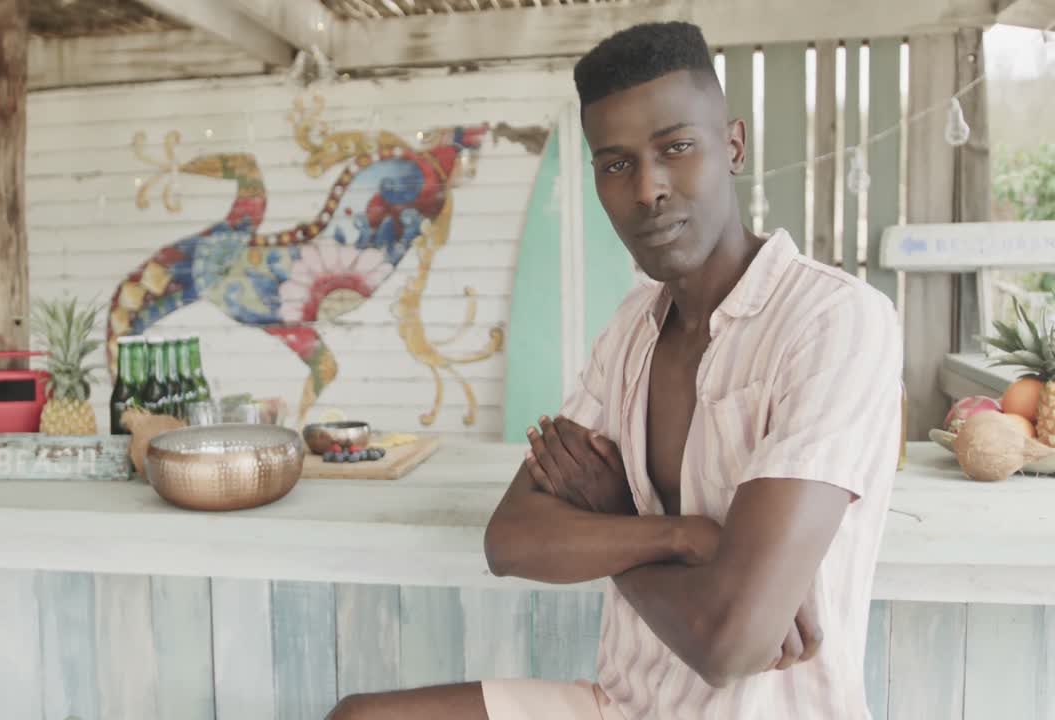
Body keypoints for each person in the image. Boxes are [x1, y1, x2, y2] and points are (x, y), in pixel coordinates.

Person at [327, 20, 902, 720]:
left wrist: (614, 518)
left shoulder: (833, 320)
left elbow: (732, 643)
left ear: (733, 146)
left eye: (676, 148)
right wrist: (682, 536)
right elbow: (511, 538)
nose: (648, 188)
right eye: (617, 163)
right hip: (624, 705)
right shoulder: (632, 329)